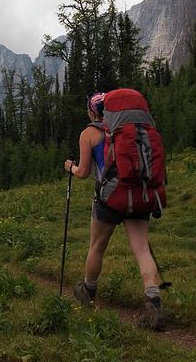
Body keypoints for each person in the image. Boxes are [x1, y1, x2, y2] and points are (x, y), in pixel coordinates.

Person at [63, 92, 165, 331]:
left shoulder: (89, 133)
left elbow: (83, 172)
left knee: (97, 246)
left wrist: (70, 167)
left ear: (92, 112)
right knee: (141, 249)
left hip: (109, 197)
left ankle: (88, 290)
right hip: (138, 193)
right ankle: (153, 302)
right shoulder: (130, 130)